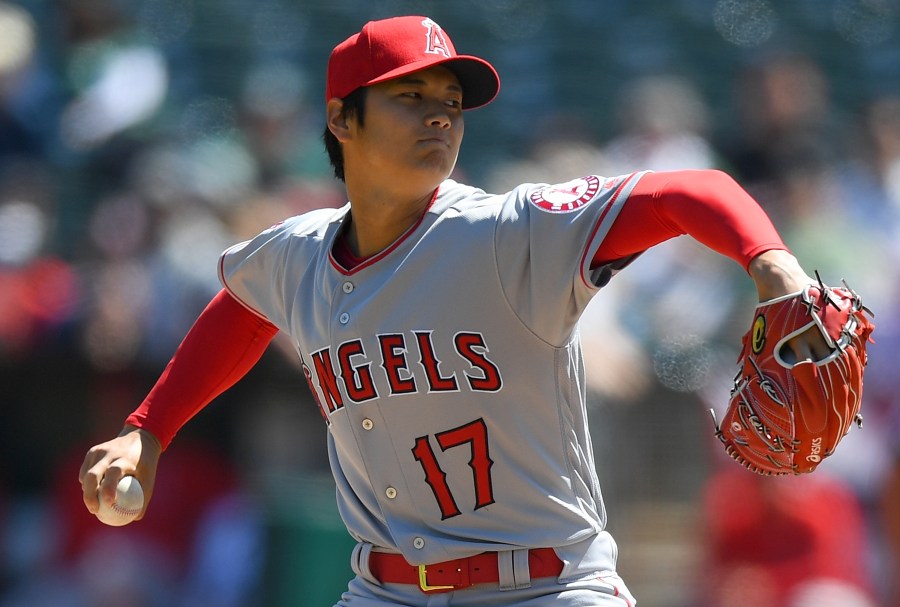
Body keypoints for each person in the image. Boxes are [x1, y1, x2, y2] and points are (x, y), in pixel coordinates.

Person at [79, 15, 833, 606]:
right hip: (384, 589)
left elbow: (691, 192)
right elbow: (242, 310)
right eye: (411, 98)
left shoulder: (511, 231)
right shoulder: (297, 253)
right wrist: (149, 429)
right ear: (343, 120)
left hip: (548, 588)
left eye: (450, 103)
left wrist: (772, 266)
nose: (439, 117)